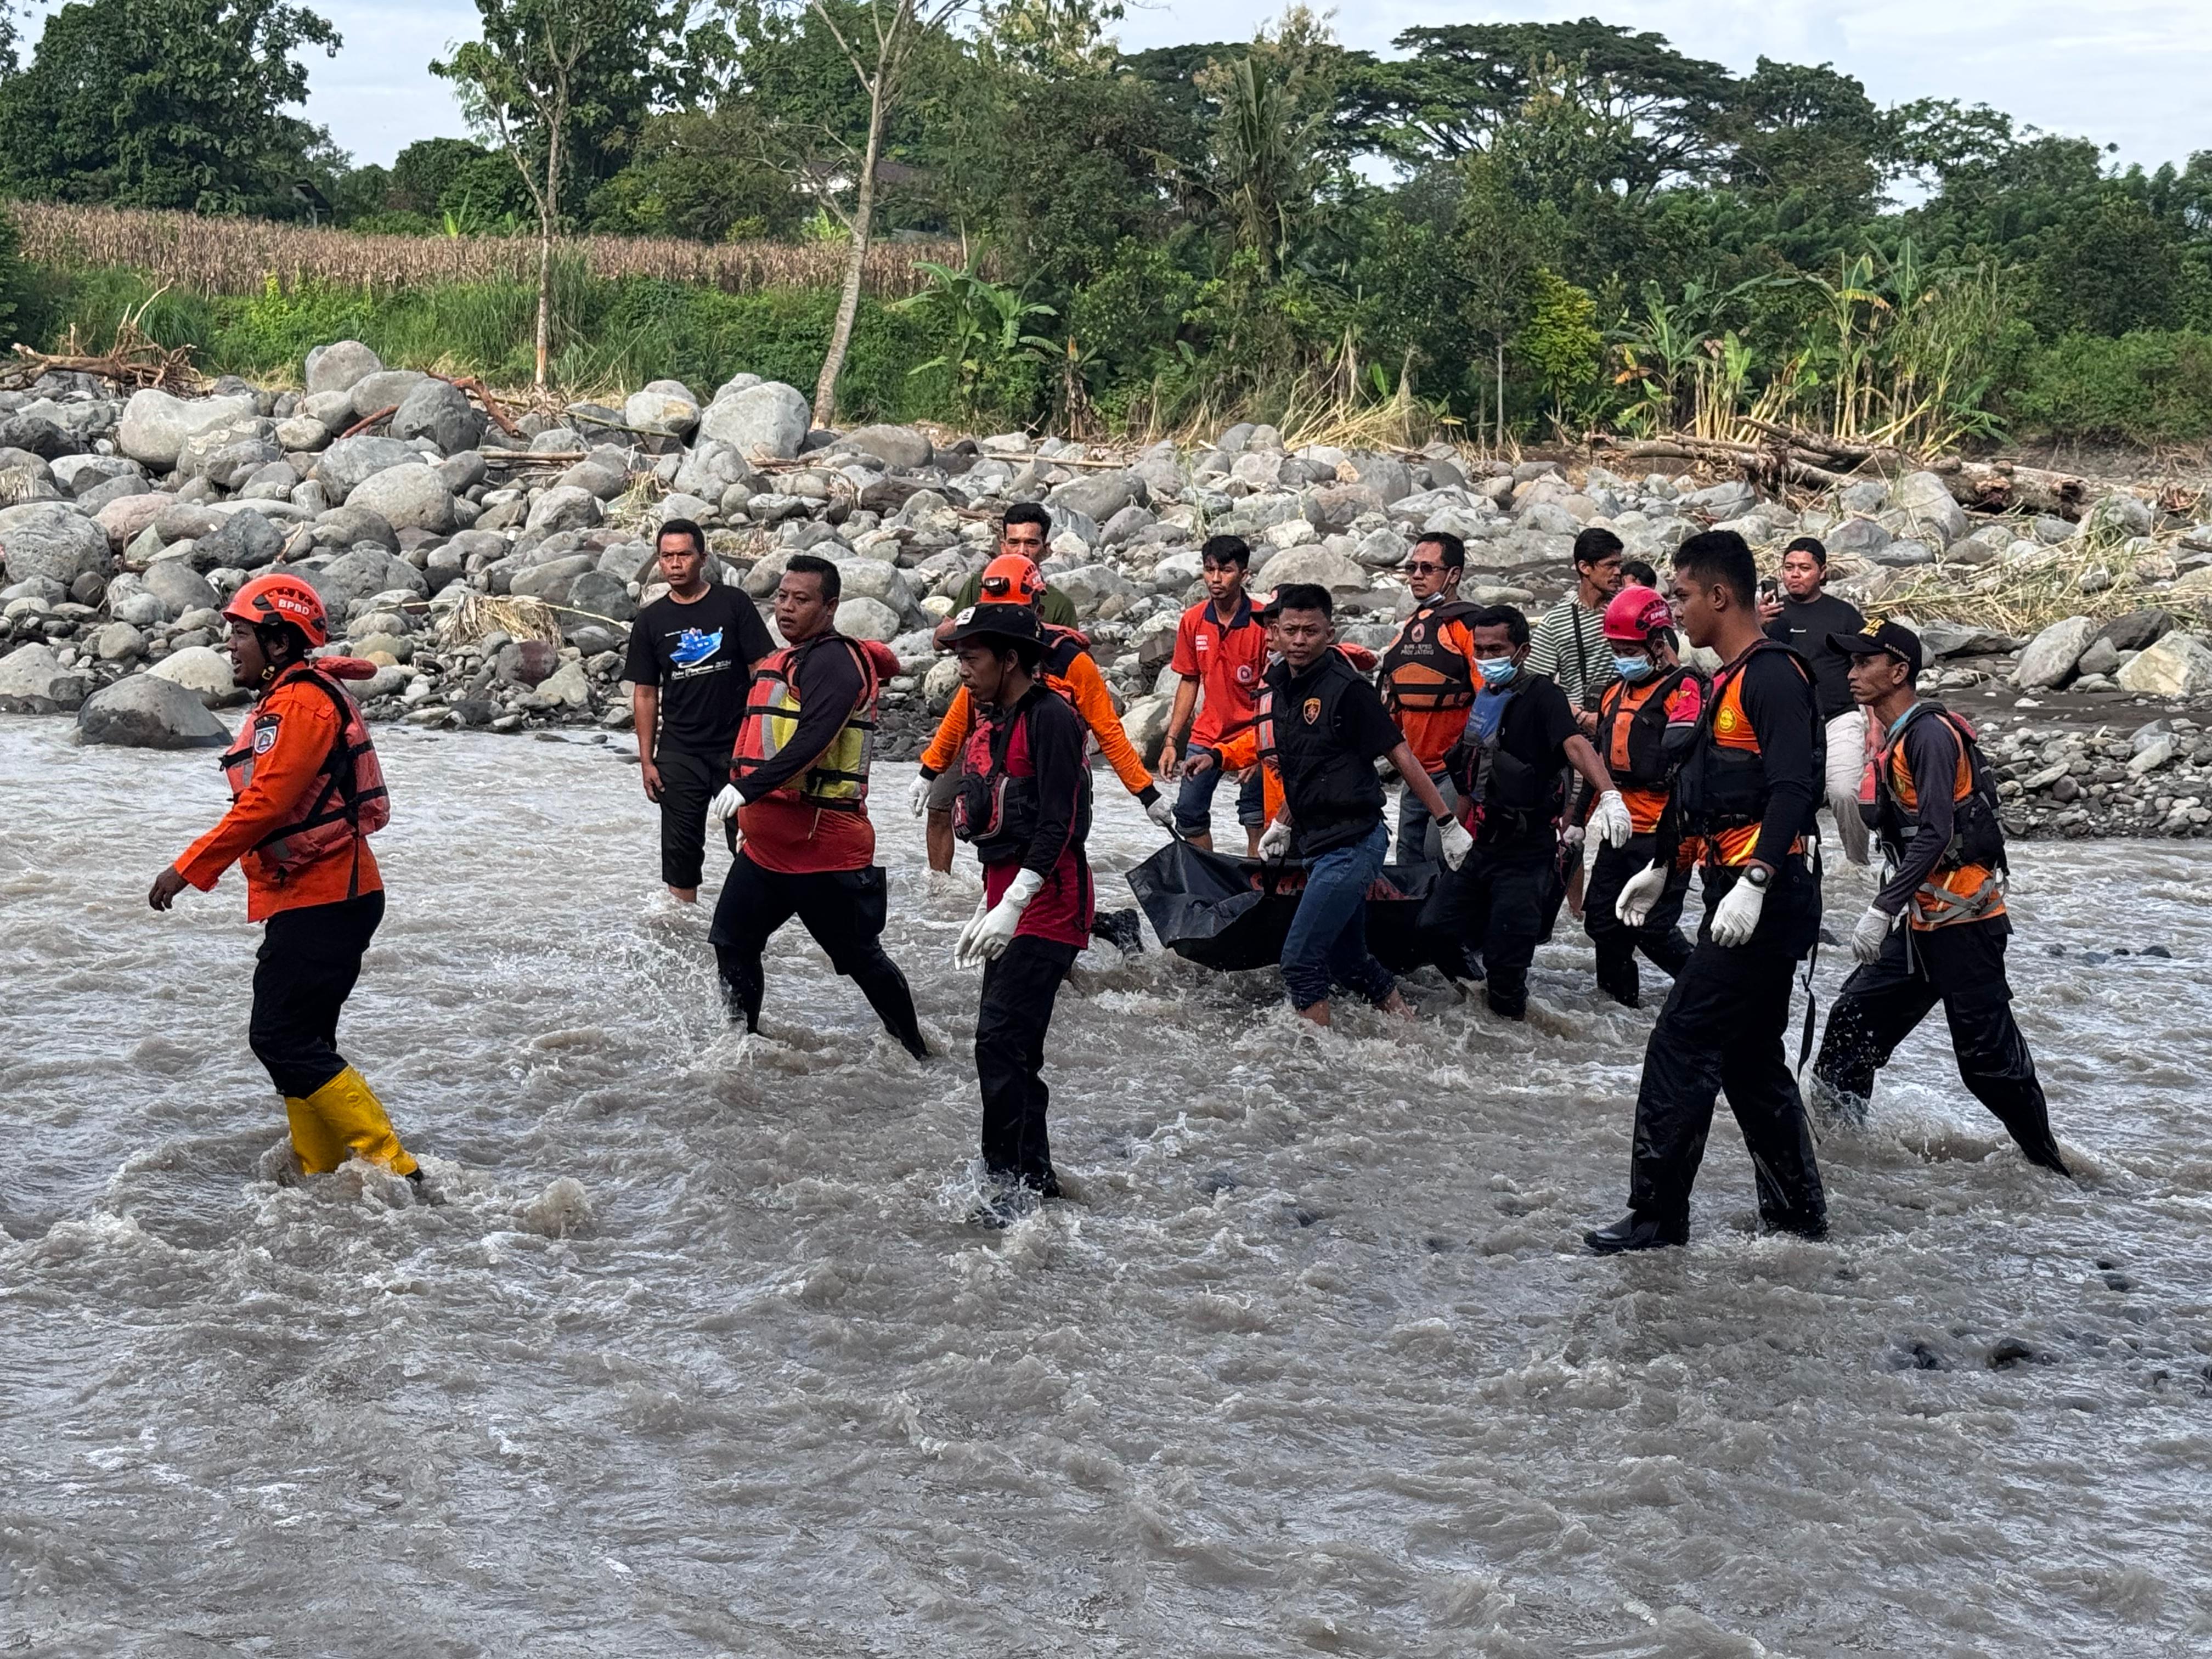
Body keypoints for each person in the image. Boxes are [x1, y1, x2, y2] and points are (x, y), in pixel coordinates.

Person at [1587, 531, 1827, 1254]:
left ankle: (1657, 1220)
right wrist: (1665, 866)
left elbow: (1795, 789)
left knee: (1681, 1040)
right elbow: (1701, 794)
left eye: (1683, 596)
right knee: (1751, 1059)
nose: (1674, 611)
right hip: (1732, 885)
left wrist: (1755, 881)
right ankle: (1798, 1219)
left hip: (1765, 894)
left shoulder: (1774, 677)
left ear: (1720, 596)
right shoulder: (1722, 678)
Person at [146, 574, 419, 1182]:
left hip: (328, 899)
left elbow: (266, 803)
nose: (229, 648)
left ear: (277, 642)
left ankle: (397, 1170)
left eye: (239, 635)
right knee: (301, 1043)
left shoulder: (298, 702)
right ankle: (318, 1174)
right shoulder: (297, 696)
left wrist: (186, 869)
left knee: (278, 1038)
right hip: (323, 895)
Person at [1809, 623, 2068, 1173]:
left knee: (1988, 1066)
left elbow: (1936, 832)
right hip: (1923, 923)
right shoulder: (1894, 733)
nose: (1852, 673)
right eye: (1849, 663)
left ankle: (2052, 1170)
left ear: (1898, 671)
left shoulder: (1927, 735)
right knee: (1850, 1029)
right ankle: (1842, 1160)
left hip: (1965, 923)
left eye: (1863, 663)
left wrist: (1881, 909)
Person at [706, 554, 928, 1059]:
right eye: (781, 597)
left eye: (800, 600)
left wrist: (748, 790)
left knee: (860, 958)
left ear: (830, 607)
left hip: (821, 850)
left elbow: (816, 738)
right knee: (732, 941)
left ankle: (916, 1051)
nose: (785, 608)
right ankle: (740, 1046)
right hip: (767, 848)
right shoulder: (789, 660)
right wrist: (746, 814)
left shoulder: (834, 661)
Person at [1252, 584, 1470, 1027]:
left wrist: (1447, 823)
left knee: (1299, 961)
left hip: (1352, 843)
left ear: (1329, 632)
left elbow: (1402, 756)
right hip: (1315, 841)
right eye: (1289, 630)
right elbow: (1309, 769)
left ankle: (1313, 1063)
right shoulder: (1280, 684)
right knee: (1349, 960)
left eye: (1310, 631)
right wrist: (1282, 823)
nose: (1298, 641)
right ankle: (1410, 1031)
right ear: (1275, 631)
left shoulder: (1347, 689)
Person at [944, 601, 1096, 1225]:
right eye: (959, 657)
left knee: (999, 1045)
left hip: (1050, 905)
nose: (962, 670)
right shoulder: (995, 719)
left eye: (972, 658)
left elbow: (1062, 821)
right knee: (1009, 1048)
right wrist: (989, 901)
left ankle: (1005, 1187)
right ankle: (1035, 1179)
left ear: (1011, 661)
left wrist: (1014, 901)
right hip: (1011, 900)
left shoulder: (1053, 719)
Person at [1424, 605, 1633, 1019]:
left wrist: (1609, 794)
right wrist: (1455, 831)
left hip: (1527, 852)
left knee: (1509, 961)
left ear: (1522, 649)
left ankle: (1509, 1037)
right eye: (1479, 649)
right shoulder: (1486, 698)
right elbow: (1472, 774)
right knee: (1433, 928)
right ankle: (1477, 994)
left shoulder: (1544, 696)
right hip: (1480, 845)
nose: (1486, 658)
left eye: (1496, 648)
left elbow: (1575, 744)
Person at [913, 551, 1169, 871]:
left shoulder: (1071, 663)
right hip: (999, 768)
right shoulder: (985, 667)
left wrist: (1147, 794)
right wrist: (927, 773)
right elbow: (960, 716)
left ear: (1037, 610)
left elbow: (1109, 732)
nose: (1005, 628)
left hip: (1052, 771)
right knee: (997, 848)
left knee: (1056, 848)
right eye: (995, 615)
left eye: (1012, 614)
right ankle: (957, 901)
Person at [913, 506, 1080, 870]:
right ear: (1001, 543)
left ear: (1046, 548)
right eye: (1014, 542)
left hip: (1031, 723)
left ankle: (1019, 882)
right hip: (976, 713)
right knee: (941, 804)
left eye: (1031, 543)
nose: (1022, 552)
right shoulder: (980, 585)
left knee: (1026, 812)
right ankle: (942, 892)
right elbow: (942, 639)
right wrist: (977, 624)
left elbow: (1073, 674)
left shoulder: (1058, 604)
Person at [625, 518, 775, 903]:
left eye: (684, 555)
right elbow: (645, 693)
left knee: (750, 843)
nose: (675, 564)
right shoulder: (651, 620)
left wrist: (766, 741)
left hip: (736, 746)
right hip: (680, 750)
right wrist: (646, 761)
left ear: (702, 558)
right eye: (667, 556)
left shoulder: (733, 604)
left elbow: (763, 668)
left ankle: (748, 925)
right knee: (680, 852)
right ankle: (684, 932)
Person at [1582, 586, 1706, 1008]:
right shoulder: (1614, 692)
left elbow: (1689, 758)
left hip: (1666, 829)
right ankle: (1617, 1009)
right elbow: (1597, 761)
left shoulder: (1685, 688)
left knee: (1653, 928)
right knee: (1602, 921)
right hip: (1621, 827)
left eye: (1628, 648)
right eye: (1615, 647)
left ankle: (1707, 994)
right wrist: (1577, 823)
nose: (1620, 655)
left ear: (1657, 644)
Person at [1760, 536, 1871, 865]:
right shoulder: (1769, 615)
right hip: (1789, 723)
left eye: (1805, 568)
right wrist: (1756, 623)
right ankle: (1797, 861)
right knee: (1791, 796)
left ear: (1822, 573)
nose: (1795, 575)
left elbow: (1869, 667)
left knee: (1843, 793)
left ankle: (1857, 864)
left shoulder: (1844, 615)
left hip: (1840, 717)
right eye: (1789, 567)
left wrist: (1876, 725)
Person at [1160, 535, 1270, 852]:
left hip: (1254, 732)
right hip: (1209, 733)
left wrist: (1259, 750)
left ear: (1244, 575)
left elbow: (1273, 691)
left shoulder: (1263, 622)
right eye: (1209, 570)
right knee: (1189, 814)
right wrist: (1171, 740)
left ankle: (1258, 888)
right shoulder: (1194, 620)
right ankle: (1207, 885)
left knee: (1256, 817)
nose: (1216, 579)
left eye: (1226, 570)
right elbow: (1189, 680)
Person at [1378, 532, 1484, 861]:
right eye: (1412, 568)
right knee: (1407, 856)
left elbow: (1488, 697)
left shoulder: (1468, 626)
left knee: (1440, 854)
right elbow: (1391, 702)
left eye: (1427, 568)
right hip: (1413, 768)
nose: (1416, 576)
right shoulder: (1409, 628)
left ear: (1453, 575)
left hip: (1455, 768)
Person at [1528, 527, 1628, 736]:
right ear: (1585, 567)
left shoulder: (1629, 610)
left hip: (1626, 727)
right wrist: (1581, 717)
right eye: (1610, 565)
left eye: (1619, 565)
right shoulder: (1556, 622)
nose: (1618, 572)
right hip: (1579, 734)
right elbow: (1536, 683)